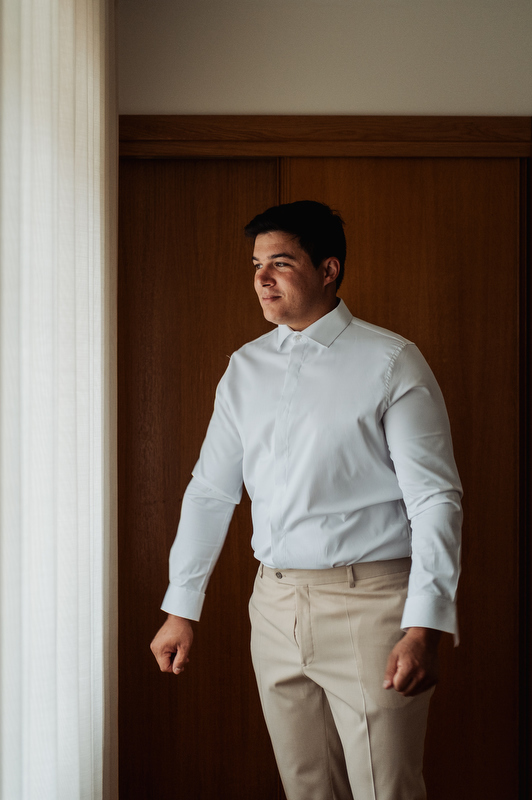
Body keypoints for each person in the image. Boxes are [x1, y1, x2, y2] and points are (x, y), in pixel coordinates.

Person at [150, 200, 462, 800]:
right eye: (256, 265)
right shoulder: (244, 367)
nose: (263, 278)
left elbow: (435, 500)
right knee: (307, 789)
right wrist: (181, 608)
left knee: (386, 791)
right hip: (273, 604)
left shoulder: (391, 362)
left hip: (372, 605)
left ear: (328, 269)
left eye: (281, 263)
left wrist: (425, 623)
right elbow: (211, 491)